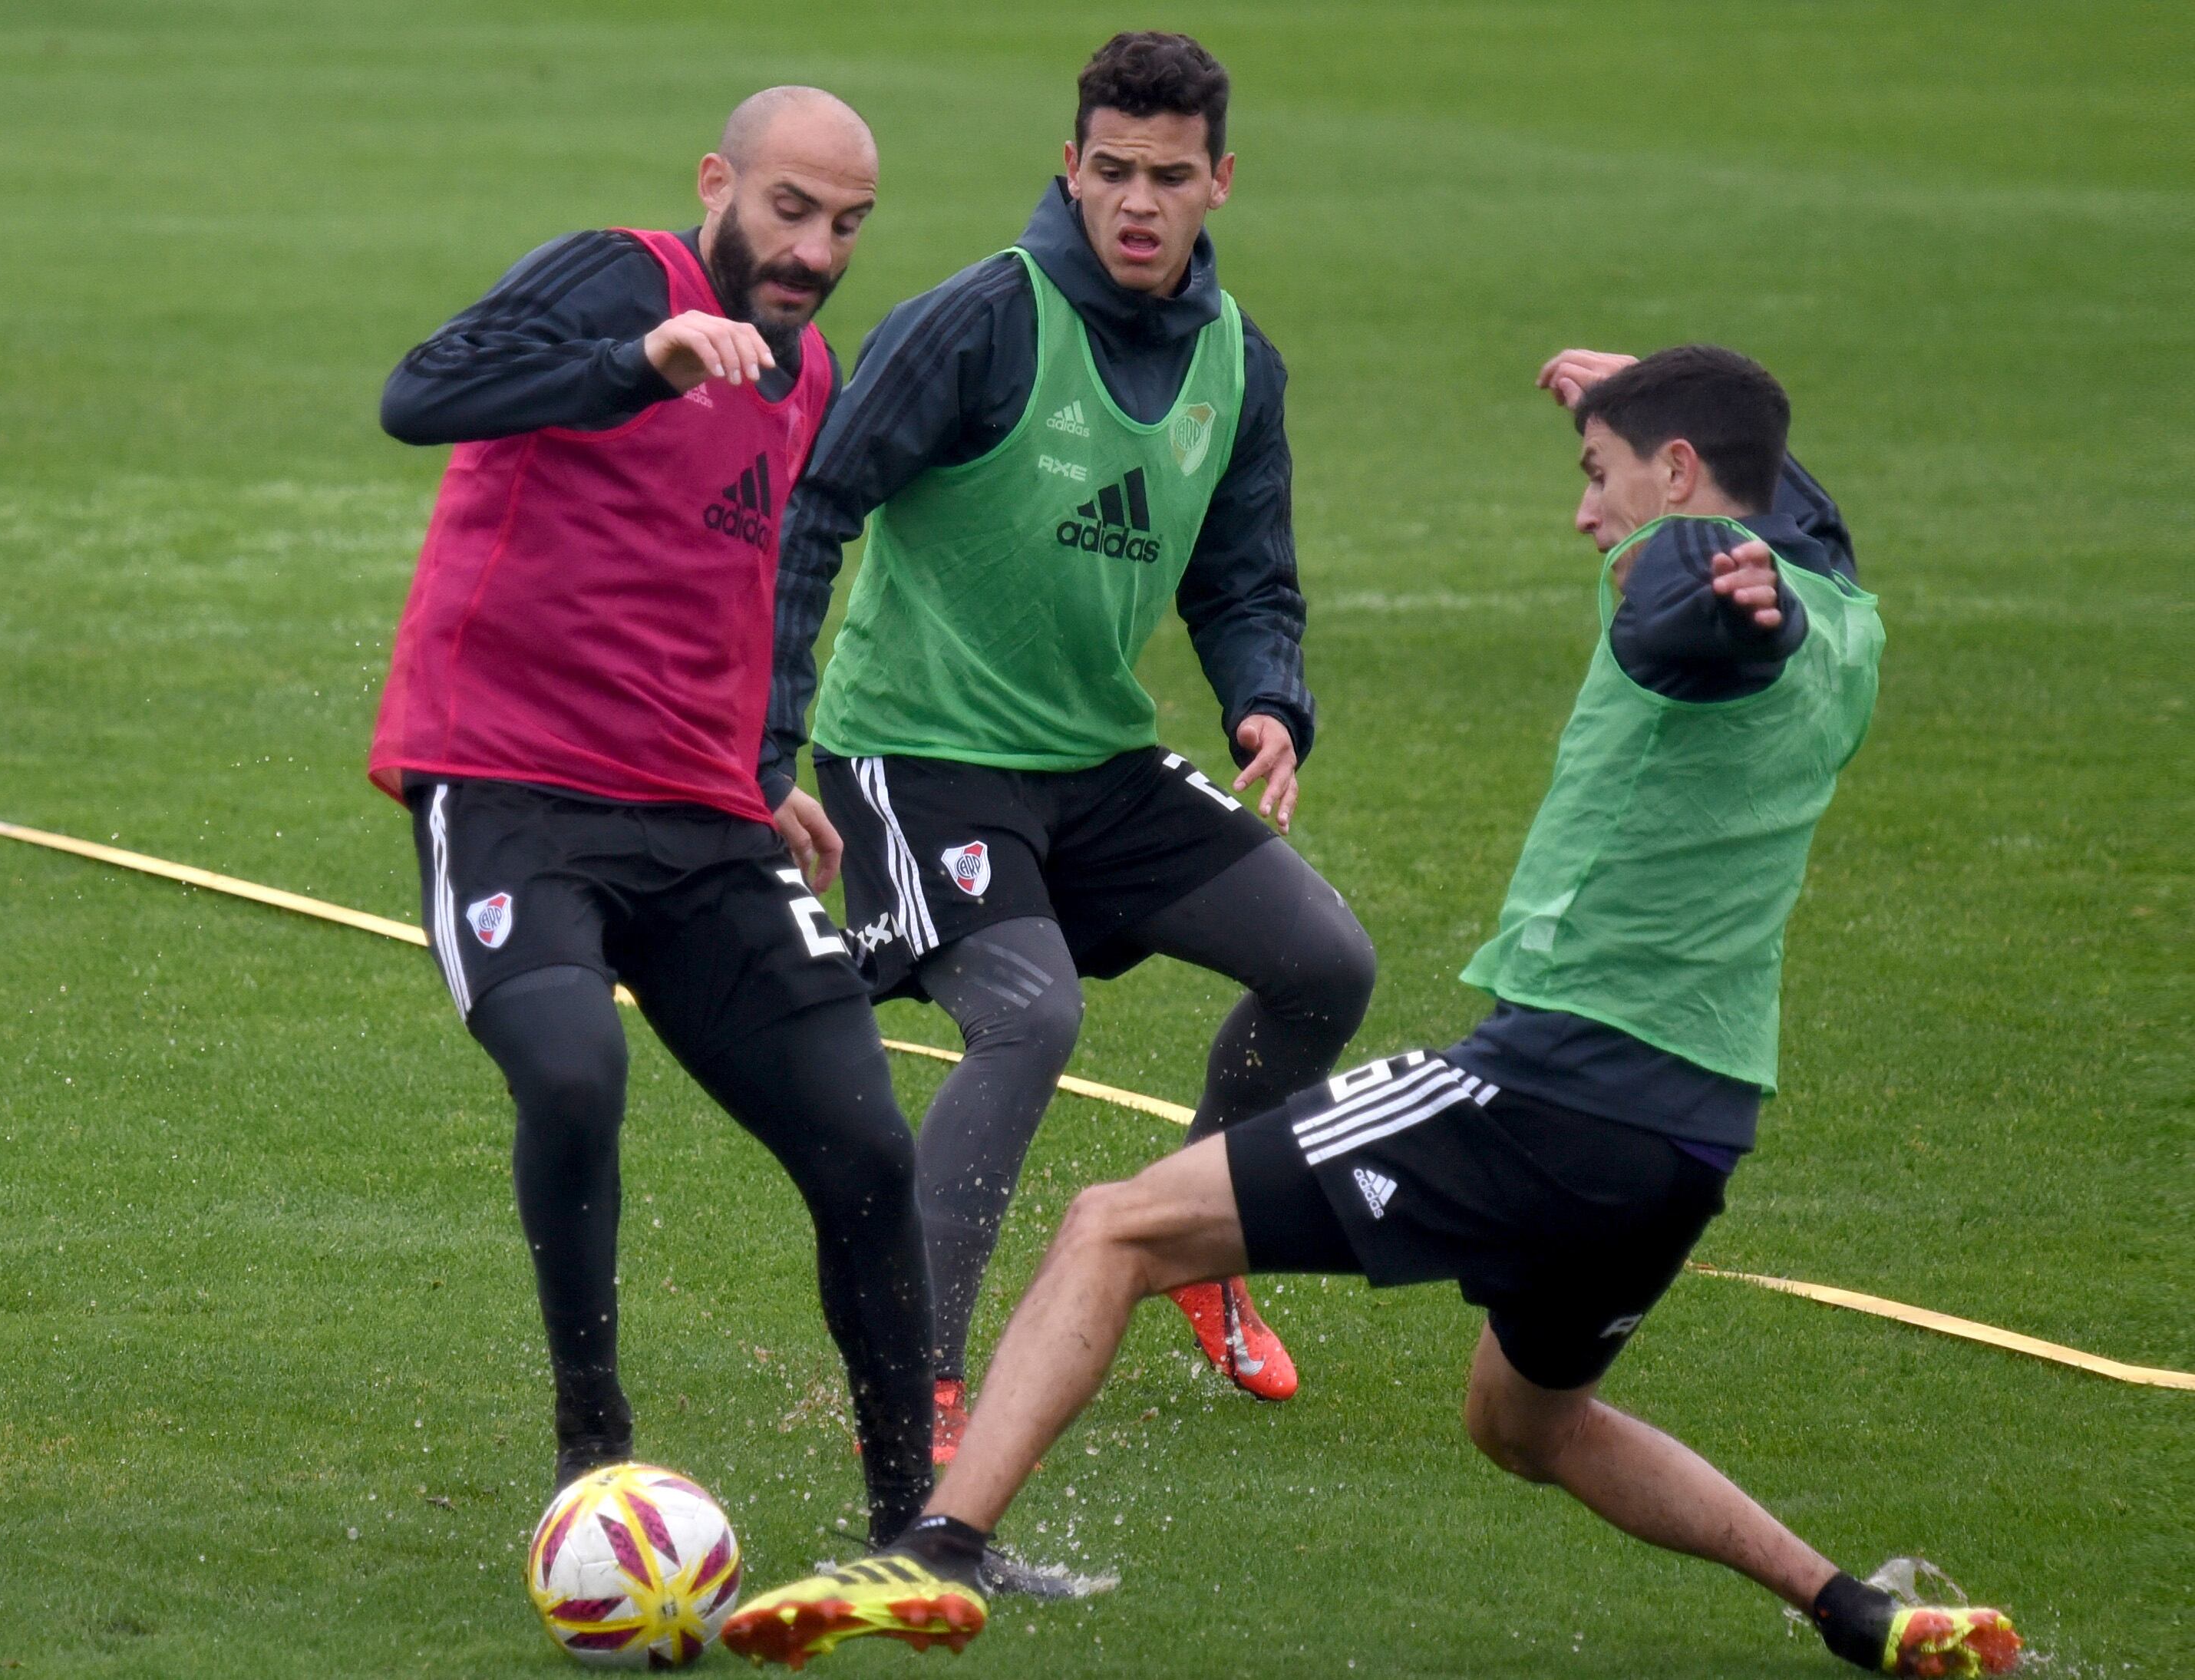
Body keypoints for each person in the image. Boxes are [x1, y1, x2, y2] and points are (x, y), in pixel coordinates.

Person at [720, 347, 2026, 1675]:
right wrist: (1707, 488)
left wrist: (1720, 593)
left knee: (1111, 1225)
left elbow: (1685, 614)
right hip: (1693, 1140)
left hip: (1548, 1089)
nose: (1586, 511)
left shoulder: (1689, 585)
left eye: (1600, 473)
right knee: (1528, 1424)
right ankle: (1854, 1610)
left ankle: (935, 1552)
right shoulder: (1846, 623)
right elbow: (1798, 534)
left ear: (1681, 474)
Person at [759, 31, 1373, 1441]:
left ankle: (1203, 1244)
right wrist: (770, 746)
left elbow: (1245, 573)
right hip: (915, 754)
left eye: (1169, 176)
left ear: (1220, 180)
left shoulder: (1240, 363)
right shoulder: (975, 322)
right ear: (1071, 165)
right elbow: (813, 512)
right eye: (1111, 171)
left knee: (1325, 964)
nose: (1137, 201)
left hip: (1089, 761)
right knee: (1031, 1012)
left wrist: (1267, 698)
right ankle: (910, 1381)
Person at [369, 88, 941, 1541]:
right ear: (719, 183)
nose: (814, 251)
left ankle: (914, 1528)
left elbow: (732, 589)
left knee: (869, 1150)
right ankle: (592, 1452)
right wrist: (637, 359)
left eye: (847, 225)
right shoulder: (621, 277)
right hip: (508, 786)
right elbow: (419, 394)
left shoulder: (807, 374)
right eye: (791, 210)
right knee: (571, 1073)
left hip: (697, 822)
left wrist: (761, 774)